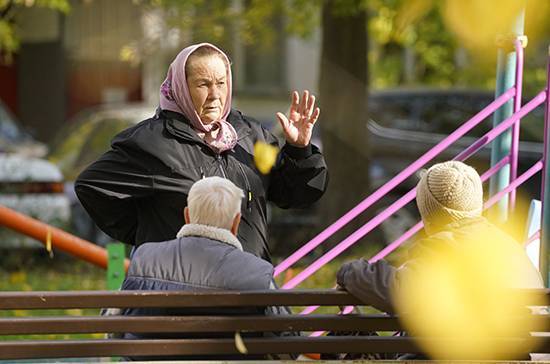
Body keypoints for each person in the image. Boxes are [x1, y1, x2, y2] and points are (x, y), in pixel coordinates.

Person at [75, 42, 328, 261]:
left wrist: (299, 150)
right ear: (180, 88)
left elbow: (295, 196)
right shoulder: (150, 143)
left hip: (245, 291)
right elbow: (91, 186)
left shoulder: (251, 135)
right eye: (203, 84)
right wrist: (148, 234)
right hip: (179, 295)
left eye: (221, 83)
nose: (215, 95)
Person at [336, 161, 543, 314]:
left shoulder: (443, 246)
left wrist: (348, 272)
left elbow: (400, 291)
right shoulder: (510, 246)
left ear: (428, 214)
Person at [119, 177, 279, 360]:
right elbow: (288, 344)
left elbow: (115, 327)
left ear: (187, 216)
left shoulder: (144, 257)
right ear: (236, 223)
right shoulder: (258, 273)